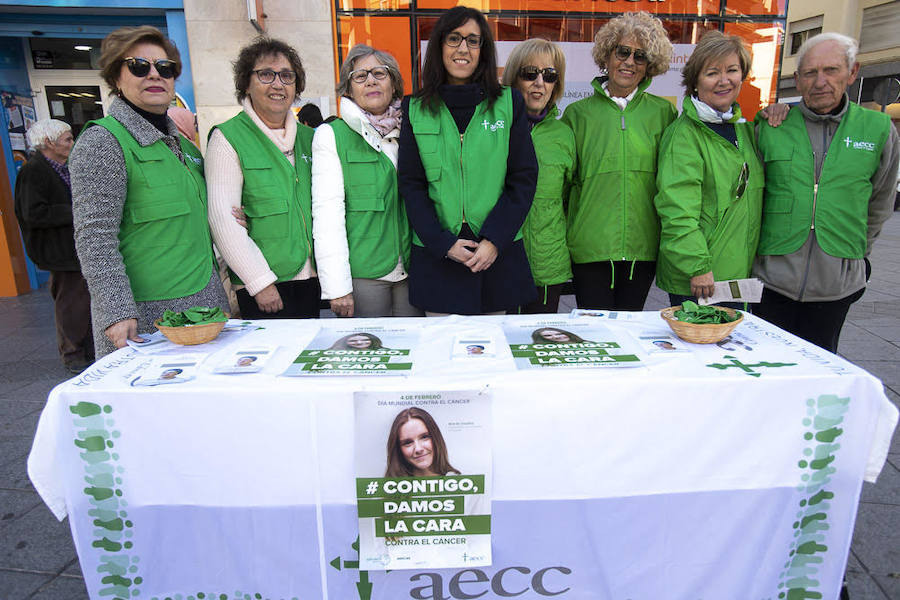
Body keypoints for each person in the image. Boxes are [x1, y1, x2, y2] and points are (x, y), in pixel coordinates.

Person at [70, 26, 228, 358]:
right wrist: (116, 311)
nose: (154, 74)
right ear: (116, 76)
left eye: (165, 68)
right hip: (146, 321)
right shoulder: (103, 141)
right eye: (139, 66)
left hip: (205, 308)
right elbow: (94, 236)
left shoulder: (183, 145)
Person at [753, 33, 900, 353]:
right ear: (797, 78)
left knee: (819, 368)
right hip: (772, 281)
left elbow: (881, 201)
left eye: (831, 70)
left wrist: (856, 253)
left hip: (836, 284)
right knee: (764, 366)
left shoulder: (877, 129)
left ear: (852, 72)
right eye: (810, 72)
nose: (820, 81)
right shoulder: (771, 125)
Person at [398, 6, 538, 315]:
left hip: (493, 256)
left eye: (473, 41)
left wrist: (495, 241)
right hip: (440, 257)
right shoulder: (415, 108)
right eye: (454, 38)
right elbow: (411, 186)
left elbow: (523, 179)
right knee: (442, 356)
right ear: (439, 46)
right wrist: (442, 243)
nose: (463, 48)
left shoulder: (508, 103)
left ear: (483, 50)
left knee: (492, 355)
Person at [561, 12, 676, 311]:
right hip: (589, 249)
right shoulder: (576, 114)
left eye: (640, 56)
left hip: (643, 249)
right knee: (594, 336)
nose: (629, 62)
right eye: (622, 51)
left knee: (630, 336)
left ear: (650, 65)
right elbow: (562, 187)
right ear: (607, 55)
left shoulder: (664, 114)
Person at [206, 37, 319, 320]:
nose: (278, 84)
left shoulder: (312, 138)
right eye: (266, 74)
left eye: (287, 76)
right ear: (246, 83)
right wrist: (259, 282)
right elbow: (223, 220)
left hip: (314, 278)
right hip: (266, 285)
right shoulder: (227, 137)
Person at [654, 31, 764, 308]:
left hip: (738, 274)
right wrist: (697, 266)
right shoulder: (684, 135)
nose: (724, 80)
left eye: (732, 70)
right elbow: (676, 208)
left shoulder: (745, 131)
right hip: (702, 279)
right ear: (695, 81)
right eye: (712, 72)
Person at [312, 44, 420, 318]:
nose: (370, 80)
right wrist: (337, 287)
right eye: (360, 76)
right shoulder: (331, 135)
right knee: (369, 352)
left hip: (414, 269)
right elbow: (327, 216)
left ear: (394, 83)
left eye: (379, 73)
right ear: (348, 88)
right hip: (364, 274)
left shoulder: (413, 128)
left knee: (413, 354)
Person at [501, 39, 574, 314]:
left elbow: (569, 197)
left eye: (549, 75)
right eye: (529, 73)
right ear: (514, 78)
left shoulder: (564, 134)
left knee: (539, 345)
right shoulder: (496, 127)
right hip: (501, 261)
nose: (539, 83)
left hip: (548, 263)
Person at [14, 119, 93, 373]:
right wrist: (75, 211)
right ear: (49, 142)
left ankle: (86, 349)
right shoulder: (33, 171)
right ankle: (73, 354)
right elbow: (33, 213)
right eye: (68, 139)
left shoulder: (62, 168)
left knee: (81, 300)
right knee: (70, 302)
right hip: (59, 252)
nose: (72, 143)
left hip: (72, 248)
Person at [385, 407, 459, 477]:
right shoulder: (390, 488)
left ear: (436, 438)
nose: (418, 449)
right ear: (398, 450)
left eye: (424, 437)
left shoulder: (458, 483)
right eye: (408, 443)